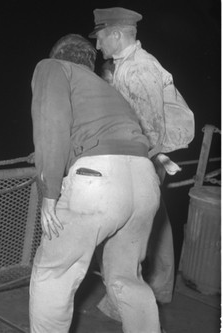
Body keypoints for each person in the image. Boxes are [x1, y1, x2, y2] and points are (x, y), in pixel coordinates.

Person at [29, 34, 162, 332]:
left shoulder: (52, 67)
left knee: (53, 273)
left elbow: (52, 123)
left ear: (58, 54)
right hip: (144, 183)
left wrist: (49, 192)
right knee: (126, 278)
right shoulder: (107, 88)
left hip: (99, 184)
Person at [89, 7, 184, 313]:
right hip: (147, 159)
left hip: (144, 160)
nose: (98, 45)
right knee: (154, 223)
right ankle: (157, 288)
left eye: (101, 37)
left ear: (116, 34)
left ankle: (127, 306)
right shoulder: (129, 65)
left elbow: (151, 132)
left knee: (129, 236)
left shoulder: (138, 69)